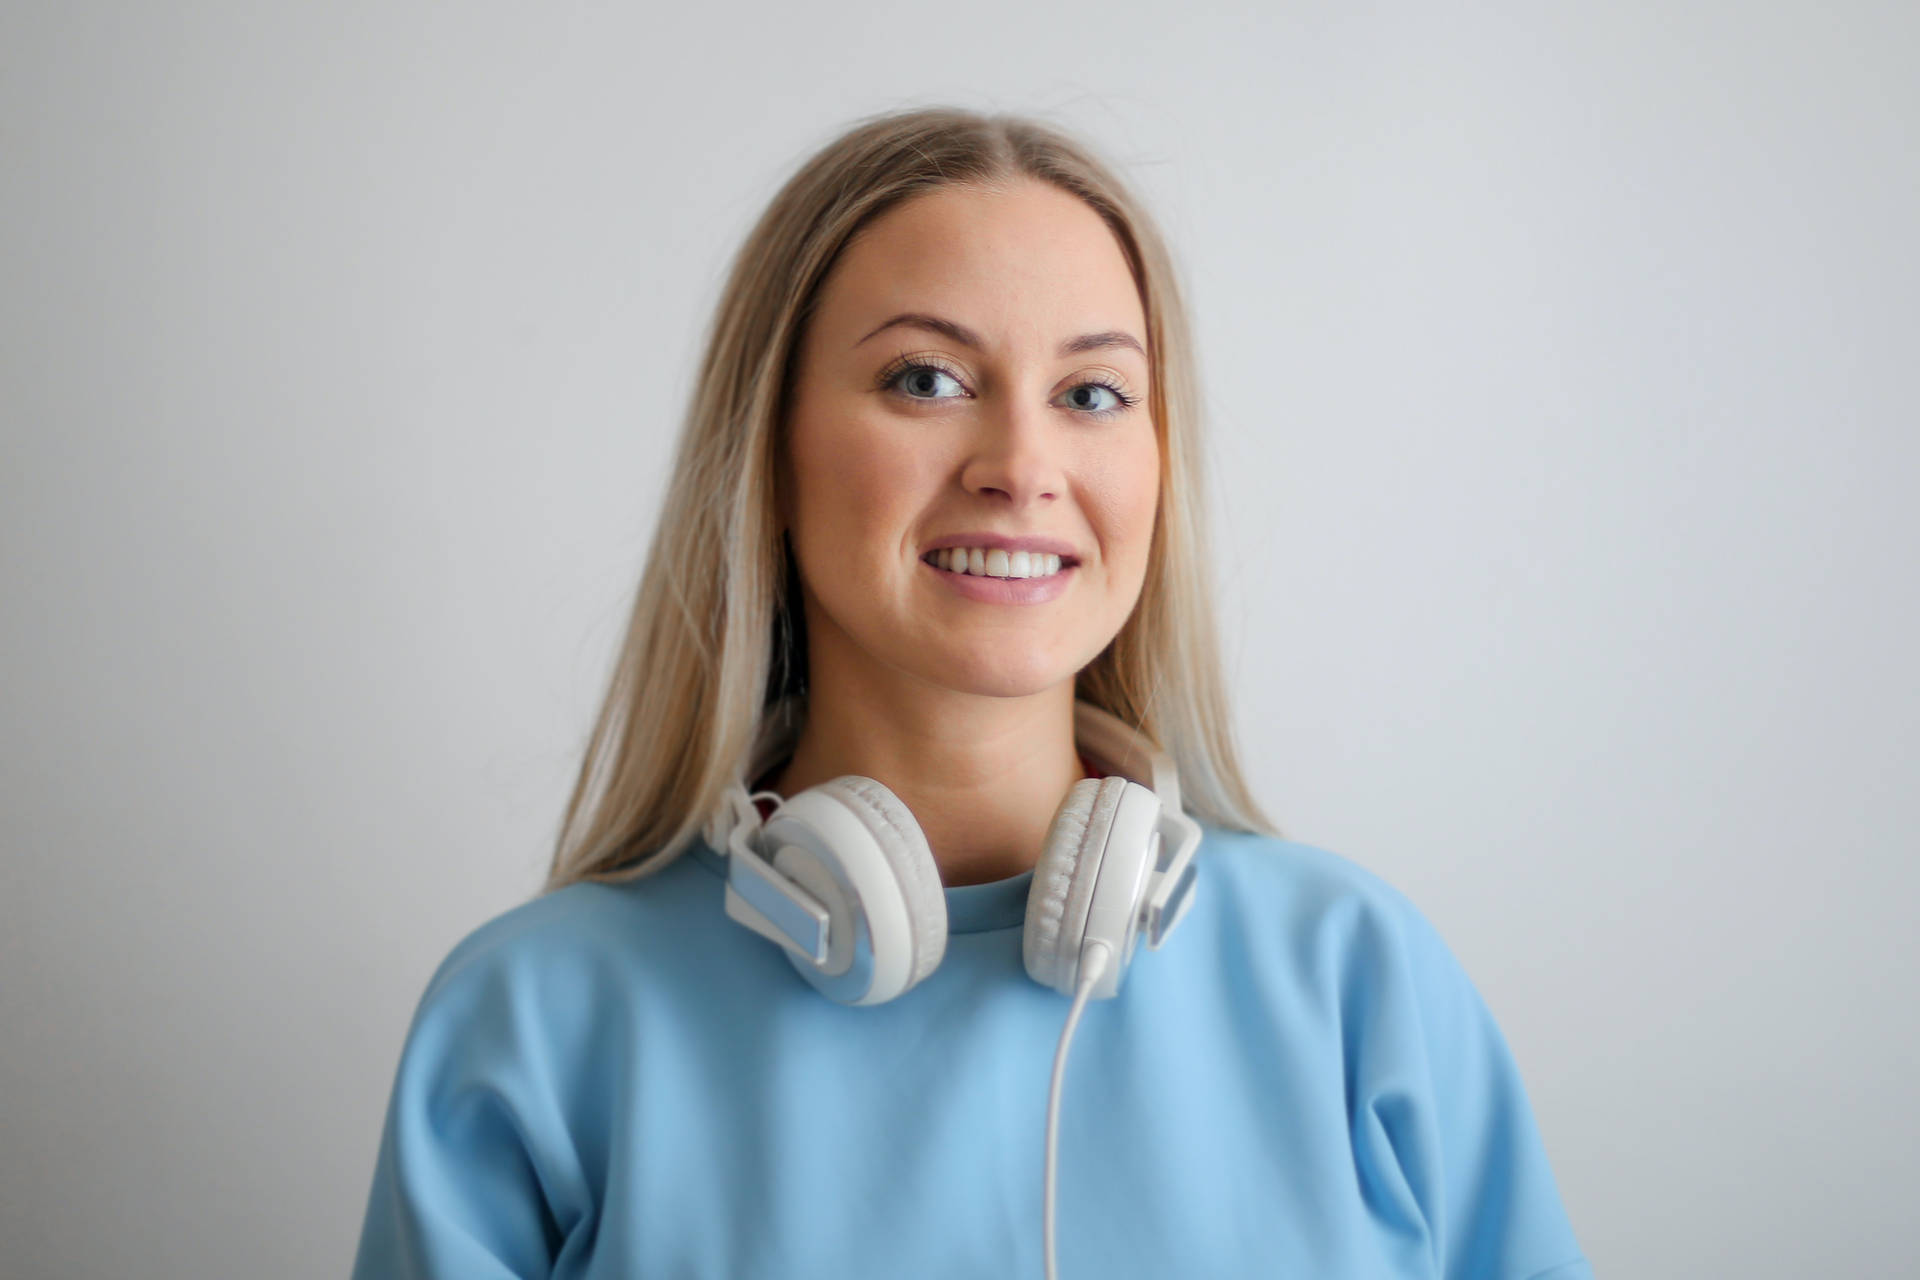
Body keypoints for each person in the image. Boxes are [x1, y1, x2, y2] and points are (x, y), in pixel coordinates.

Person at [349, 105, 1594, 1280]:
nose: (1020, 466)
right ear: (767, 454)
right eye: (926, 380)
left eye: (1092, 393)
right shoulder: (536, 1020)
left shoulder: (1354, 976)